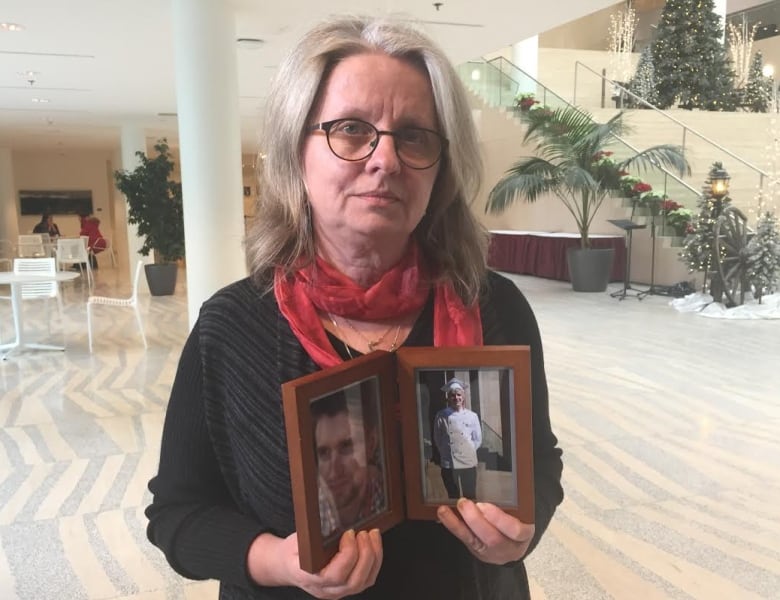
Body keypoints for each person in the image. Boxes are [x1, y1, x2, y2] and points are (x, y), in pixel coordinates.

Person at [145, 15, 563, 600]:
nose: (385, 160)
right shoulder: (232, 329)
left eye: (414, 135)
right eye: (351, 129)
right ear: (297, 151)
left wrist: (524, 530)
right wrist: (276, 561)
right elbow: (177, 512)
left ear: (441, 167)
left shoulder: (494, 309)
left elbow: (540, 461)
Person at [313, 389, 385, 538]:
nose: (335, 470)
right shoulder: (309, 512)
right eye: (324, 453)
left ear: (371, 444)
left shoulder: (387, 493)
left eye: (346, 447)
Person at [433, 378, 482, 500]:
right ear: (448, 398)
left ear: (463, 397)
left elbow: (477, 439)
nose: (456, 398)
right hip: (449, 463)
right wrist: (447, 453)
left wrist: (466, 451)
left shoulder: (472, 416)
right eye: (453, 396)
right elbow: (438, 438)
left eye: (459, 395)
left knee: (470, 496)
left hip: (468, 463)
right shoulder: (441, 415)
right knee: (453, 497)